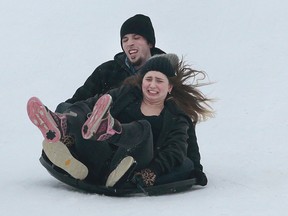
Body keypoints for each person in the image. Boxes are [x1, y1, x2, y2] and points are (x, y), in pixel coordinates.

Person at [27, 54, 213, 188]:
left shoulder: (175, 116)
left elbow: (176, 150)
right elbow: (89, 104)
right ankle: (64, 130)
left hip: (130, 164)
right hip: (100, 157)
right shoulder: (126, 94)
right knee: (84, 112)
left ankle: (112, 130)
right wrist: (69, 116)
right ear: (142, 82)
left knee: (144, 128)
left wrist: (154, 171)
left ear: (170, 87)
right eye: (148, 79)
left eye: (159, 81)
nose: (152, 85)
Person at [56, 14, 165, 113]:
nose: (130, 43)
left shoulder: (165, 75)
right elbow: (78, 100)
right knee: (65, 108)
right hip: (97, 127)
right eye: (125, 40)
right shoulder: (108, 70)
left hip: (140, 130)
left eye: (136, 38)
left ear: (149, 43)